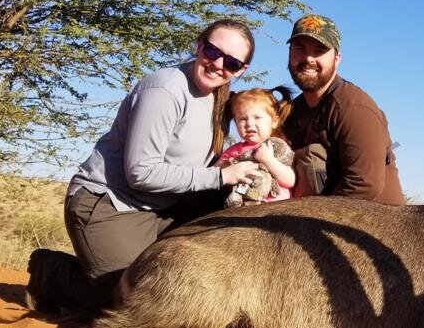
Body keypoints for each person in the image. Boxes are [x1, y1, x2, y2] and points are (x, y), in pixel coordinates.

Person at [26, 19, 264, 313]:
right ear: (199, 44)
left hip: (160, 209)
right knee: (133, 302)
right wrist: (219, 176)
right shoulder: (165, 89)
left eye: (230, 62)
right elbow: (140, 172)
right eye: (212, 51)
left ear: (241, 70)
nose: (218, 64)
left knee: (173, 286)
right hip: (111, 204)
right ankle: (51, 274)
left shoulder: (219, 98)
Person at [282, 13, 404, 205]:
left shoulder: (353, 107)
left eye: (319, 50)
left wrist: (305, 219)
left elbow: (364, 184)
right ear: (290, 54)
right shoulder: (291, 111)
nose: (308, 58)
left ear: (337, 58)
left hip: (371, 224)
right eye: (300, 49)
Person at [218, 88, 296, 206]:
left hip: (276, 206)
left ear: (274, 121)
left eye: (257, 118)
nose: (249, 124)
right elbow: (215, 172)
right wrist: (226, 167)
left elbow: (290, 181)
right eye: (243, 119)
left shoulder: (276, 147)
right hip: (243, 204)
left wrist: (268, 160)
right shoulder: (234, 151)